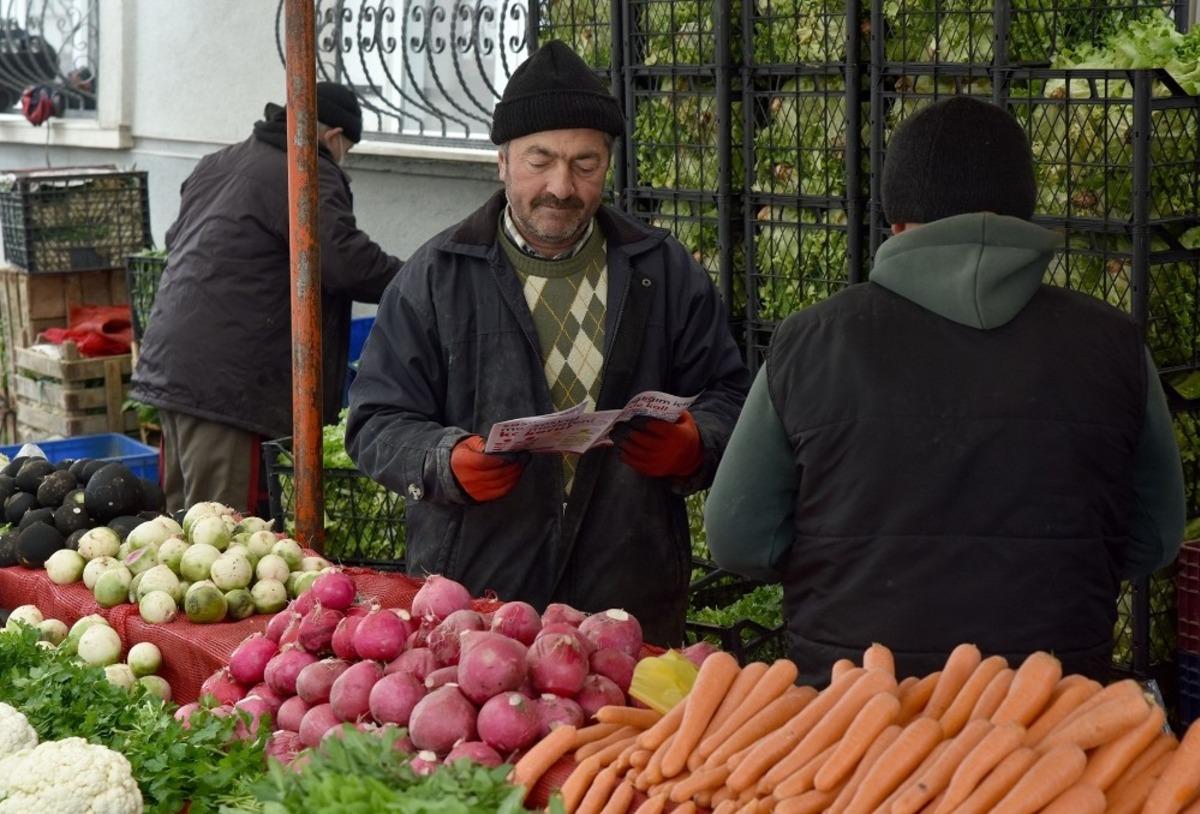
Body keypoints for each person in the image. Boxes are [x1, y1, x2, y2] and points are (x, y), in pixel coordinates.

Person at [705, 96, 1186, 685]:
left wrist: (846, 560)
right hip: (1055, 704)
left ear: (898, 221)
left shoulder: (809, 341)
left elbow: (738, 537)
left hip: (851, 717)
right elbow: (1156, 537)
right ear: (1022, 214)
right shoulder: (1115, 345)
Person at [346, 41, 750, 647]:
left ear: (607, 164)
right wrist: (444, 462)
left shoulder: (660, 270)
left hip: (628, 590)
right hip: (477, 599)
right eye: (541, 160)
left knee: (630, 742)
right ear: (503, 160)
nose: (561, 186)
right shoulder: (437, 275)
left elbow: (729, 391)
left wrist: (697, 446)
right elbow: (374, 420)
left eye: (585, 164)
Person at [132, 83, 402, 514]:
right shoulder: (304, 171)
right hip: (231, 386)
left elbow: (177, 240)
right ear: (334, 137)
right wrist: (418, 280)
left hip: (175, 365)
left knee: (183, 526)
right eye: (347, 147)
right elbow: (343, 260)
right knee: (220, 532)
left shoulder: (220, 162)